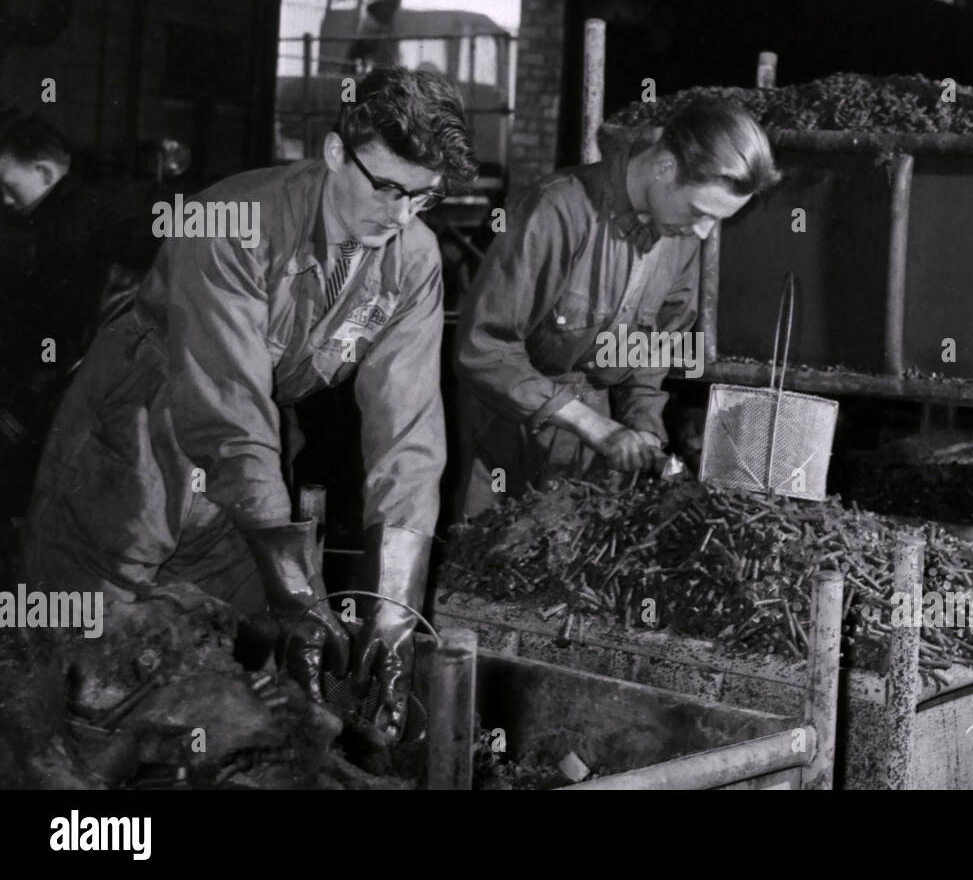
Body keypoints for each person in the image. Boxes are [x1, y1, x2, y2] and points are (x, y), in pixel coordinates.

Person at [20, 67, 477, 739]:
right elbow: (227, 403)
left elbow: (408, 430)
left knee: (235, 673)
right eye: (385, 187)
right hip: (135, 442)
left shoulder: (413, 256)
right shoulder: (232, 223)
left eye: (423, 196)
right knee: (81, 675)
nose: (400, 215)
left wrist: (395, 614)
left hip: (245, 471)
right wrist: (298, 591)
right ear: (331, 153)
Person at [455, 99, 780, 518]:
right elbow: (483, 350)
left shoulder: (681, 241)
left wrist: (643, 427)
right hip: (506, 432)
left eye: (716, 220)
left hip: (593, 444)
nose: (703, 231)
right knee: (485, 563)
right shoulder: (557, 211)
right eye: (699, 211)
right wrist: (595, 427)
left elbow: (654, 354)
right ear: (664, 167)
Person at [0, 112, 140, 520]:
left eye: (7, 186)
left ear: (43, 172)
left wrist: (20, 404)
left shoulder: (66, 228)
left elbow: (56, 331)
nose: (4, 200)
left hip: (66, 389)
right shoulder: (82, 210)